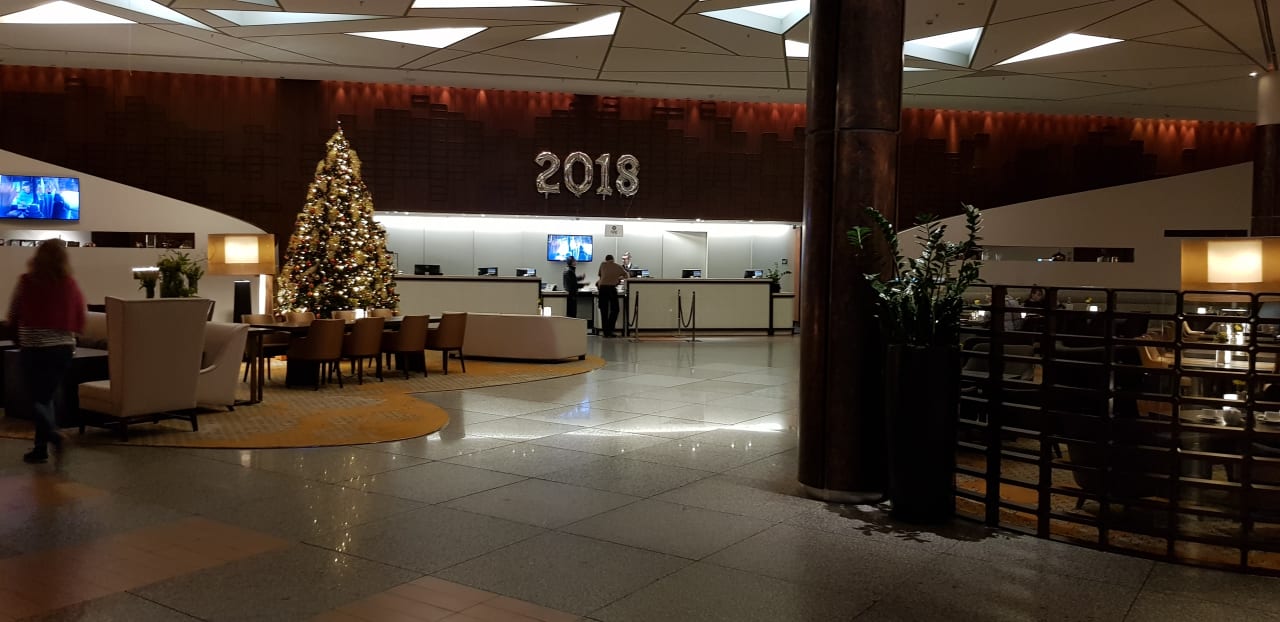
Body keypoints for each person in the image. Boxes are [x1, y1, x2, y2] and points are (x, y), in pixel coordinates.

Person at [6, 239, 85, 463]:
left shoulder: (27, 282)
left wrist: (16, 336)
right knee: (47, 396)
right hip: (63, 348)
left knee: (37, 398)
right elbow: (81, 312)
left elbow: (13, 312)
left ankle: (52, 434)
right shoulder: (69, 283)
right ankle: (40, 449)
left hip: (34, 348)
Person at [596, 254, 629, 337]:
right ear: (613, 259)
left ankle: (605, 332)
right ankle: (610, 330)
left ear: (606, 259)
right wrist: (618, 279)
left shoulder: (602, 264)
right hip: (611, 288)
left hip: (602, 289)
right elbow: (627, 275)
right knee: (615, 309)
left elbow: (600, 276)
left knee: (604, 310)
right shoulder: (618, 266)